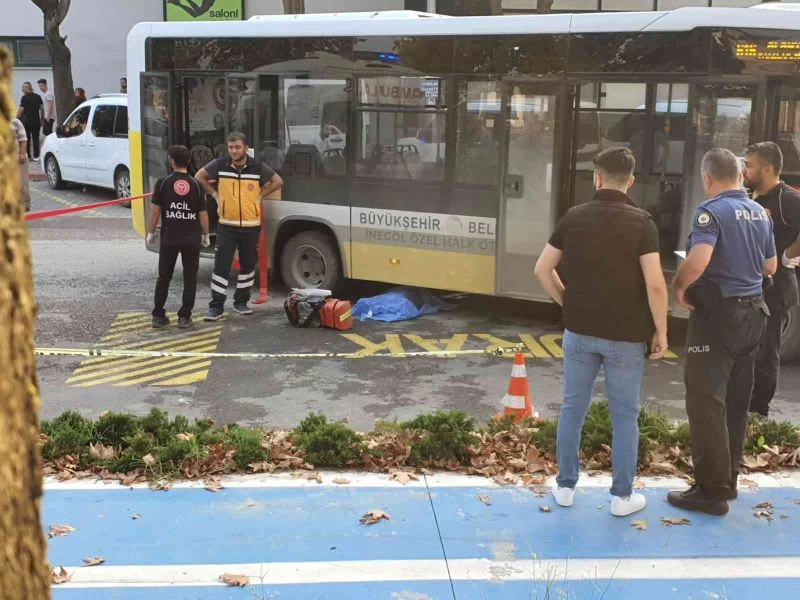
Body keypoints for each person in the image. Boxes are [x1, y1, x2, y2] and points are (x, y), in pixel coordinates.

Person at [534, 147, 669, 518]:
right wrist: (662, 331)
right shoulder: (643, 223)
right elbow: (656, 285)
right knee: (624, 415)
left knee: (572, 407)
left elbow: (543, 269)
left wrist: (567, 303)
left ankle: (564, 487)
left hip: (579, 332)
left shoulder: (573, 218)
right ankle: (621, 497)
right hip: (627, 337)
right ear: (632, 180)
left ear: (596, 177)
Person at [669, 148, 776, 516]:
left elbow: (698, 261)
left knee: (705, 402)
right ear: (740, 175)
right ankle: (727, 481)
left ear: (708, 178)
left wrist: (679, 288)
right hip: (753, 316)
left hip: (718, 321)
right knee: (735, 402)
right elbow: (770, 264)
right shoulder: (761, 213)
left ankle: (710, 492)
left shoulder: (710, 212)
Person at [195, 132, 283, 321]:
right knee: (221, 267)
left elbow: (278, 181)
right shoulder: (220, 165)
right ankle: (216, 307)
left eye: (237, 147)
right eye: (231, 148)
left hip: (252, 225)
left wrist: (261, 195)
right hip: (226, 225)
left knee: (248, 266)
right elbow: (199, 176)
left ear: (245, 148)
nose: (234, 151)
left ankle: (241, 302)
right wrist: (215, 195)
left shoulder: (257, 167)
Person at [742, 142, 800, 418]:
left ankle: (758, 410)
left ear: (767, 169)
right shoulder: (748, 196)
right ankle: (741, 404)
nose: (744, 169)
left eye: (749, 165)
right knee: (745, 348)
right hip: (747, 286)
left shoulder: (786, 198)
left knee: (766, 350)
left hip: (776, 288)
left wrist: (789, 254)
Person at [146, 145, 211, 329]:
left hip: (169, 239)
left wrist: (151, 233)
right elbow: (203, 214)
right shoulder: (196, 186)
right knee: (190, 278)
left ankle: (158, 315)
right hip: (191, 240)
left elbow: (155, 211)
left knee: (164, 276)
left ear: (171, 162)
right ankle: (184, 317)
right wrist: (206, 235)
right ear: (189, 161)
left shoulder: (163, 183)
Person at [17, 82, 43, 161]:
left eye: (23, 87)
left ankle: (28, 155)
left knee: (26, 138)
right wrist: (41, 119)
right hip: (36, 121)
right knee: (36, 138)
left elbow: (21, 109)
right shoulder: (38, 96)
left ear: (28, 88)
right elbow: (42, 109)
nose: (22, 89)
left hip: (27, 122)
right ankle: (36, 156)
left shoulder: (24, 97)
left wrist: (16, 118)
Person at [11, 116, 31, 212]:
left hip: (18, 158)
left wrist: (22, 154)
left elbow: (23, 139)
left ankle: (25, 204)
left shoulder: (15, 122)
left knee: (22, 183)